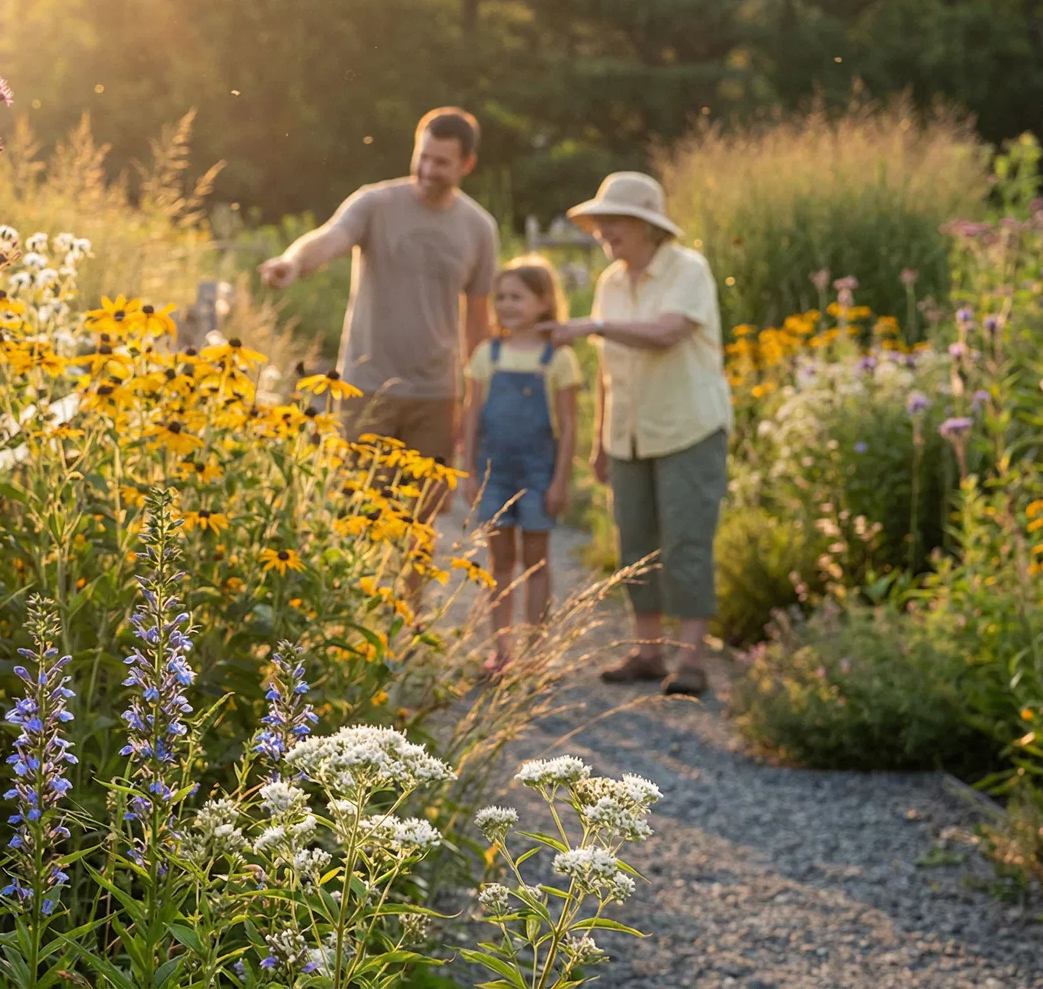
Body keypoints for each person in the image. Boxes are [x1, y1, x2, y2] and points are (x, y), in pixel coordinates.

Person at [258, 107, 497, 612]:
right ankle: (353, 616)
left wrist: (476, 398)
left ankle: (404, 618)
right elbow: (330, 237)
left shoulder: (479, 228)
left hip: (436, 393)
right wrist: (294, 262)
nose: (429, 170)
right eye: (423, 157)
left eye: (443, 163)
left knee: (420, 517)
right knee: (359, 506)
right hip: (367, 387)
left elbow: (479, 319)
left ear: (467, 165)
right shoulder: (376, 203)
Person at [542, 171, 731, 696]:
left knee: (686, 542)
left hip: (688, 428)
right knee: (635, 544)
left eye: (614, 221)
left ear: (648, 226)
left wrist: (594, 327)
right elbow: (608, 370)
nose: (603, 231)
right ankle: (647, 655)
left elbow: (669, 334)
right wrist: (602, 440)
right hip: (628, 434)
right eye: (600, 222)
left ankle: (690, 662)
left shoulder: (687, 270)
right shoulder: (609, 283)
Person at [457, 258, 582, 677]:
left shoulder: (558, 359)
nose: (507, 305)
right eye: (502, 297)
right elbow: (472, 414)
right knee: (500, 563)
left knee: (537, 562)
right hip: (495, 474)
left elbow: (568, 426)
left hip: (538, 476)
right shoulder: (486, 354)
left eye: (518, 296)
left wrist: (561, 481)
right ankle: (502, 651)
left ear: (544, 302)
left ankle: (536, 652)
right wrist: (469, 470)